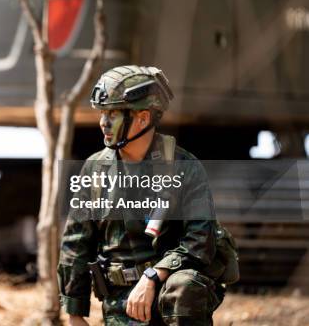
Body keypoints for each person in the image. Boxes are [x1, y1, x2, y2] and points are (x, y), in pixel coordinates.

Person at [58, 65, 223, 325]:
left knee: (186, 285)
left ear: (143, 118)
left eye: (113, 114)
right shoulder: (95, 169)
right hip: (118, 304)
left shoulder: (183, 167)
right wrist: (74, 314)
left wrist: (153, 276)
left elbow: (201, 240)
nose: (103, 123)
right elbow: (76, 245)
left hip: (169, 296)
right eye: (102, 113)